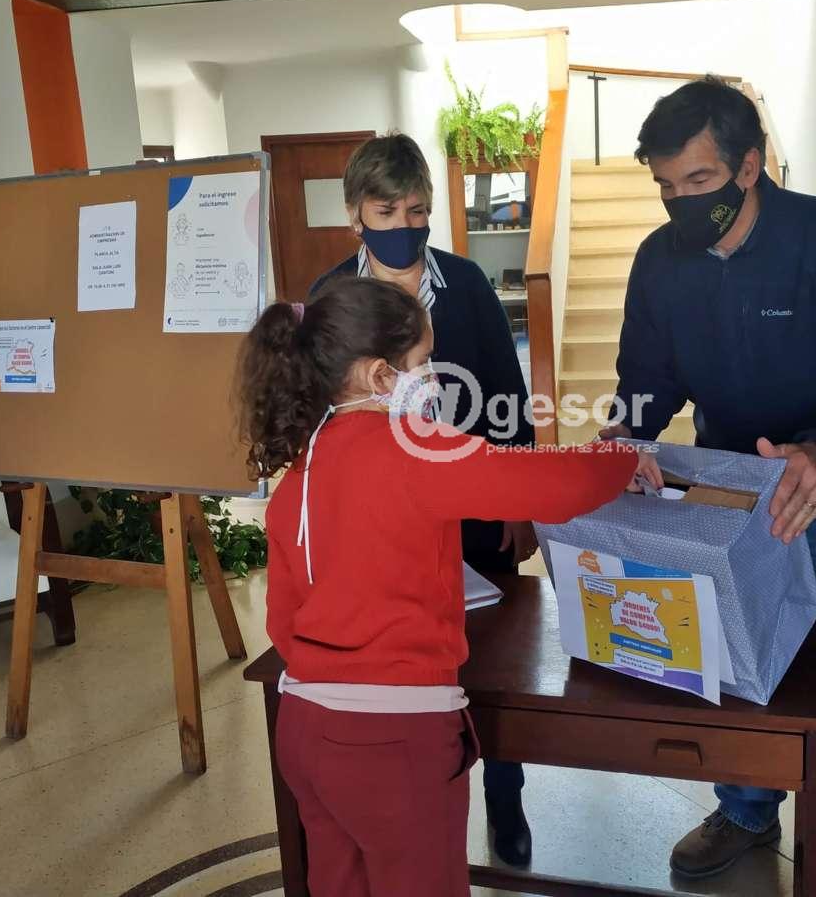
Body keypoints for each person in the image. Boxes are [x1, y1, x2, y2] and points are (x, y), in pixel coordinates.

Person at [602, 77, 816, 896]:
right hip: (731, 495)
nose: (680, 202)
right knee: (739, 665)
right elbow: (647, 380)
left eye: (699, 180)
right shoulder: (659, 262)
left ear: (749, 167)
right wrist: (626, 437)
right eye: (666, 185)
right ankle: (747, 811)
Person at [240, 277, 652, 897]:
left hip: (303, 726)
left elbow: (284, 612)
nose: (432, 379)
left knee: (338, 882)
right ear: (381, 376)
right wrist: (619, 460)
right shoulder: (414, 448)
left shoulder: (305, 461)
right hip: (394, 742)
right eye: (424, 362)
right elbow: (542, 484)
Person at [311, 132, 538, 865]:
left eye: (417, 210)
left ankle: (506, 797)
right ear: (355, 214)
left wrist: (518, 500)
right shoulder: (331, 297)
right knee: (405, 668)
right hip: (379, 526)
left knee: (495, 665)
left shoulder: (466, 285)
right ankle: (410, 797)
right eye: (387, 212)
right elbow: (319, 417)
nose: (404, 225)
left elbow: (507, 399)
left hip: (473, 508)